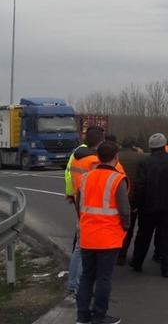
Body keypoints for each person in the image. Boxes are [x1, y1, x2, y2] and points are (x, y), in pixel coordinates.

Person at [75, 141, 129, 324]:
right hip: (108, 238)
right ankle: (99, 315)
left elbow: (78, 203)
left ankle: (82, 316)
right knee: (104, 278)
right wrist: (126, 226)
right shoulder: (117, 179)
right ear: (116, 158)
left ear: (98, 157)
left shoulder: (85, 178)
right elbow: (124, 210)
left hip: (87, 236)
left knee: (87, 276)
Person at [130, 133, 168, 277]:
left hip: (148, 206)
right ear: (164, 145)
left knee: (143, 235)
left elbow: (140, 186)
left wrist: (136, 203)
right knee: (167, 237)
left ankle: (137, 262)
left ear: (151, 147)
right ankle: (166, 268)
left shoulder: (145, 162)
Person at [64, 126, 105, 299]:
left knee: (80, 248)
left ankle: (73, 284)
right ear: (99, 141)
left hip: (79, 203)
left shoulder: (76, 158)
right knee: (83, 248)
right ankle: (78, 287)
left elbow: (70, 177)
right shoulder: (93, 161)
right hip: (90, 207)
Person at [116, 138, 145, 266]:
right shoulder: (140, 157)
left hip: (115, 196)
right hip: (132, 196)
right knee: (129, 226)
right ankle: (123, 252)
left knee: (115, 226)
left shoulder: (116, 156)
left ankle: (115, 251)